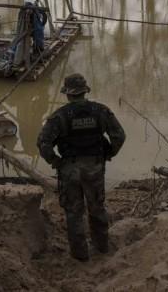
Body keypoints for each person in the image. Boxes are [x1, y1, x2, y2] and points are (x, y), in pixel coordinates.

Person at [37, 73, 126, 261]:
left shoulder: (59, 116)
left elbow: (43, 143)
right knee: (97, 207)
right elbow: (119, 135)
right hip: (94, 165)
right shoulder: (101, 111)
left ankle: (80, 255)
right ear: (85, 91)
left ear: (68, 94)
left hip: (69, 168)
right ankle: (102, 247)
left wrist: (56, 161)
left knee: (74, 212)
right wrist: (108, 153)